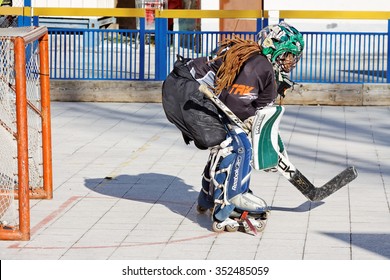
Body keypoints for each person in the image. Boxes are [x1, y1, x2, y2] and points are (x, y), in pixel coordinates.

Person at [162, 21, 304, 232]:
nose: (291, 62)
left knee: (229, 141)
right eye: (288, 55)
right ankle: (228, 203)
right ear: (273, 48)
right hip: (187, 92)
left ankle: (209, 197)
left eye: (294, 57)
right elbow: (235, 103)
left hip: (182, 88)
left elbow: (246, 105)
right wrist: (251, 128)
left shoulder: (260, 62)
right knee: (236, 145)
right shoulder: (259, 64)